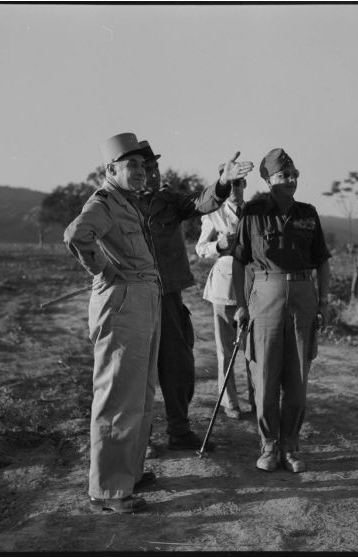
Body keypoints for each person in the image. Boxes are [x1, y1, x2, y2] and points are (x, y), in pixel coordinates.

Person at [132, 140, 254, 452]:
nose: (154, 175)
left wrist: (224, 182)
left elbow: (200, 202)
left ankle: (180, 431)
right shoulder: (118, 207)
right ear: (132, 172)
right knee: (137, 371)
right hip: (135, 301)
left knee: (179, 367)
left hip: (170, 297)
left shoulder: (169, 201)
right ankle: (138, 439)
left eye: (156, 168)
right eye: (146, 169)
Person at [64, 132, 160, 514]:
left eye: (142, 165)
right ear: (111, 170)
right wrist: (103, 269)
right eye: (131, 165)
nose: (140, 172)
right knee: (118, 394)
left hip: (142, 297)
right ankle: (108, 489)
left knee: (140, 392)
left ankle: (130, 472)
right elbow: (76, 235)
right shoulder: (103, 202)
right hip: (123, 302)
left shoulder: (126, 202)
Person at [232, 147, 331, 473]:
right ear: (267, 179)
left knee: (298, 379)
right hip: (266, 297)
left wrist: (324, 301)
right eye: (281, 176)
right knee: (265, 378)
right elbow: (239, 260)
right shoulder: (253, 212)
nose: (289, 180)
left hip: (303, 298)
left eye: (292, 174)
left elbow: (322, 262)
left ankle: (290, 445)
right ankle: (269, 445)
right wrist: (242, 305)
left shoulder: (308, 212)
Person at [195, 168, 255, 419]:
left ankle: (258, 399)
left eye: (239, 183)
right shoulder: (214, 212)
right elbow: (200, 248)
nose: (235, 189)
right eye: (230, 184)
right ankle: (230, 402)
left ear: (244, 184)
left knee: (254, 350)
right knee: (225, 349)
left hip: (254, 286)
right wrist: (217, 246)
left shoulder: (255, 211)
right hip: (225, 283)